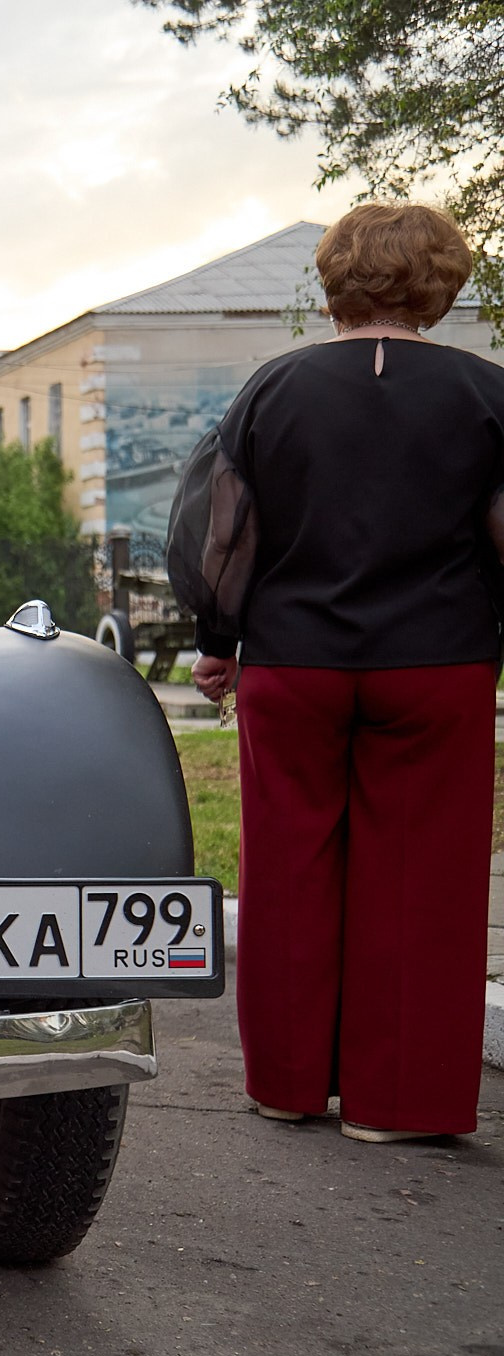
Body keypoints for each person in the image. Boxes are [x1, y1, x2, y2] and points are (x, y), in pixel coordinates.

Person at [172, 202, 504, 1142]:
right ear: (439, 284)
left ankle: (287, 1082)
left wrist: (217, 639)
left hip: (295, 661)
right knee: (424, 882)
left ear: (335, 281)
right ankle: (396, 1106)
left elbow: (225, 525)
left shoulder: (273, 389)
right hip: (436, 664)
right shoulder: (489, 395)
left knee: (288, 869)